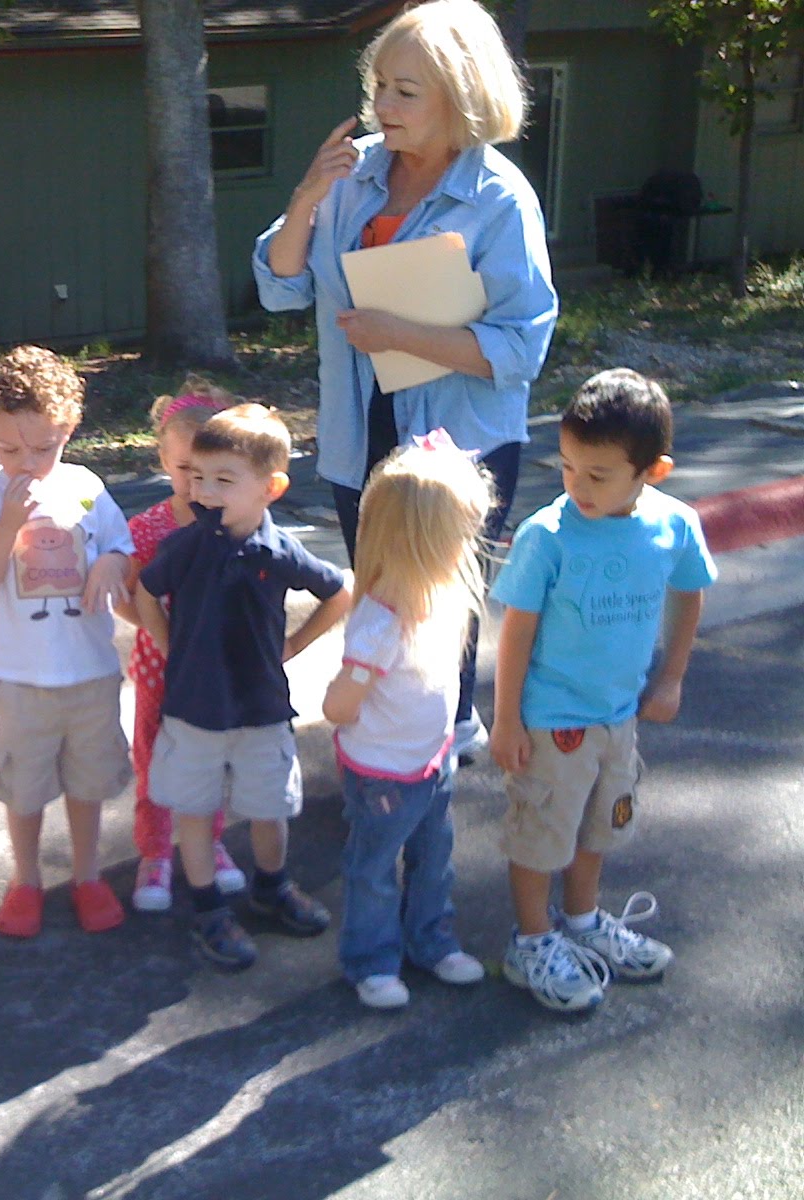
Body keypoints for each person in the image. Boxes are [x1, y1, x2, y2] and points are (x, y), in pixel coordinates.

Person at [252, 0, 558, 762]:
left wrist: (402, 335)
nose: (381, 106)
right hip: (362, 429)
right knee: (381, 593)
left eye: (405, 91)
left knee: (444, 601)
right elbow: (279, 284)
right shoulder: (352, 181)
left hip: (462, 441)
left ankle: (446, 728)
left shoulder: (500, 198)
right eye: (379, 86)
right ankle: (386, 731)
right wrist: (305, 198)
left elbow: (522, 347)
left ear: (460, 95)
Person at [492, 369, 716, 1012]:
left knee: (598, 828)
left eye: (597, 474)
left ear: (654, 470)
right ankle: (531, 941)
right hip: (552, 718)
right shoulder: (548, 535)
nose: (576, 486)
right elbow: (515, 633)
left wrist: (671, 675)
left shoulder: (672, 525)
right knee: (542, 832)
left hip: (618, 716)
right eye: (567, 466)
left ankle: (584, 922)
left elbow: (689, 590)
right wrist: (506, 722)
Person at [135, 404, 350, 971]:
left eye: (223, 480)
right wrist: (169, 645)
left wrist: (294, 647)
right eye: (197, 477)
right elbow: (142, 593)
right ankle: (208, 908)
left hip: (261, 709)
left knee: (269, 807)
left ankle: (271, 888)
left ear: (271, 488)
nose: (204, 491)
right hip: (193, 710)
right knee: (195, 810)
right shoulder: (186, 545)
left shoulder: (279, 552)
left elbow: (339, 592)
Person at [0, 346, 133, 939]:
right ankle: (25, 879)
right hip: (22, 681)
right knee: (24, 788)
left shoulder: (86, 486)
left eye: (44, 448)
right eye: (9, 450)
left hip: (90, 673)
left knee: (87, 784)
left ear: (70, 429)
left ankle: (87, 875)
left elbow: (120, 549)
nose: (27, 463)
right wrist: (7, 524)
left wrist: (111, 561)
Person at [321, 433, 492, 1008]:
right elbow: (337, 707)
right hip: (381, 772)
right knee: (373, 868)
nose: (470, 543)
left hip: (430, 757)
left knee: (433, 857)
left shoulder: (441, 595)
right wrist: (349, 692)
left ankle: (431, 942)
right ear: (421, 541)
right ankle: (371, 960)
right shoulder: (380, 621)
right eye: (460, 533)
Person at [119, 383, 244, 913]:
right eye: (182, 471)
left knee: (210, 763)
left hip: (215, 673)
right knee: (153, 760)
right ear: (163, 461)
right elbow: (124, 596)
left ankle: (208, 841)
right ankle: (154, 852)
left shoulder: (239, 524)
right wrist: (158, 625)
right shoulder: (147, 528)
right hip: (159, 669)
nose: (195, 485)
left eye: (210, 473)